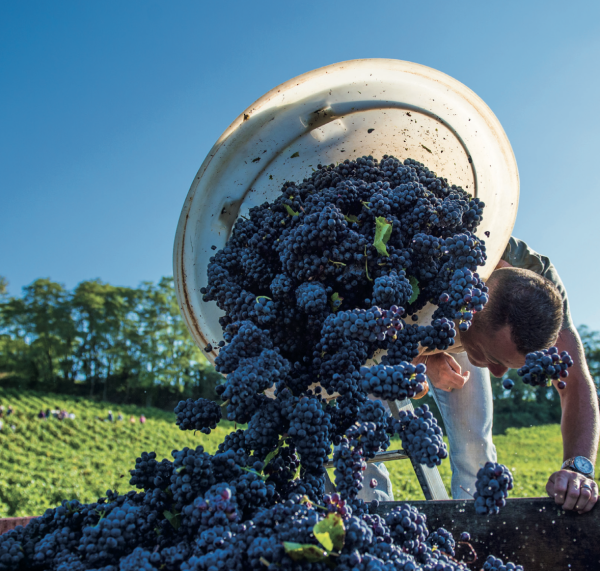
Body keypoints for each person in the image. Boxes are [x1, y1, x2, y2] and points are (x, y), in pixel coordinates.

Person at [408, 236, 599, 514]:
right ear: (471, 310)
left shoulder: (540, 282)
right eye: (495, 360)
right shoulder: (427, 253)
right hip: (396, 317)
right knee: (364, 437)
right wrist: (423, 356)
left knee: (475, 441)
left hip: (463, 325)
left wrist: (578, 468)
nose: (498, 374)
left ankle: (476, 536)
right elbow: (360, 334)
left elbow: (576, 381)